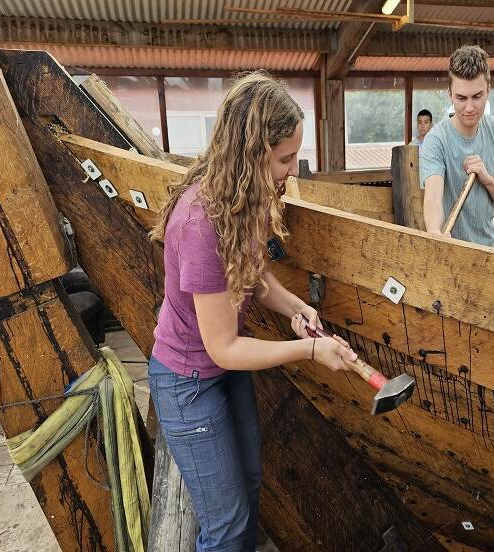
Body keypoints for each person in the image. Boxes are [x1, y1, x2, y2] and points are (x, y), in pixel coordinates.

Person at [148, 71, 357, 552]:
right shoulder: (200, 223)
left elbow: (253, 276)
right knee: (225, 525)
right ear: (251, 154)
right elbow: (223, 347)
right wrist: (307, 349)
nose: (291, 169)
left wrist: (297, 307)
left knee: (249, 491)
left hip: (223, 370)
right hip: (187, 383)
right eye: (285, 159)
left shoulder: (248, 196)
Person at [420, 45, 494, 245]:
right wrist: (435, 232)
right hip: (452, 252)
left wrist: (487, 178)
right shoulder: (436, 140)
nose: (470, 108)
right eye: (461, 98)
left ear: (488, 90)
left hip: (490, 249)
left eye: (477, 97)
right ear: (449, 94)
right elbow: (433, 198)